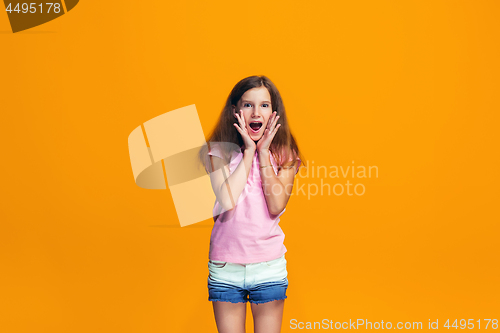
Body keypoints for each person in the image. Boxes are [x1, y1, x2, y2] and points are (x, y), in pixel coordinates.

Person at [198, 75, 304, 333]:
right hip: (226, 268)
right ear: (235, 110)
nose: (256, 112)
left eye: (264, 105)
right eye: (248, 105)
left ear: (273, 113)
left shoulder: (284, 153)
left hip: (268, 266)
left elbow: (277, 205)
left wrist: (264, 153)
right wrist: (248, 152)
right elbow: (227, 199)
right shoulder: (218, 151)